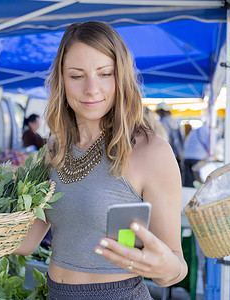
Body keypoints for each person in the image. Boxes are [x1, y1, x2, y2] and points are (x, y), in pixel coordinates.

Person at [14, 21, 187, 299]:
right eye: (76, 76)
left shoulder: (149, 151)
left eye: (105, 73)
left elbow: (175, 268)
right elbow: (25, 243)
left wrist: (165, 267)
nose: (92, 89)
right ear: (62, 80)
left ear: (121, 77)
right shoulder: (54, 150)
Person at [156, 102, 185, 172]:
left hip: (168, 152)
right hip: (179, 152)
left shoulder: (162, 122)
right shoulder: (175, 121)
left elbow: (163, 138)